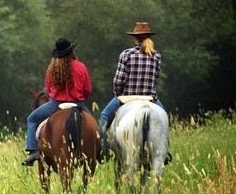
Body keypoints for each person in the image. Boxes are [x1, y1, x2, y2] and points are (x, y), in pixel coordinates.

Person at [22, 37, 93, 166]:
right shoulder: (81, 67)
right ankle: (99, 150)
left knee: (31, 119)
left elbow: (48, 89)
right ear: (71, 52)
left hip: (55, 105)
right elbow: (87, 89)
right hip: (78, 104)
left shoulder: (51, 68)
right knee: (95, 127)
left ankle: (33, 151)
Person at [100, 22, 166, 156]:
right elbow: (156, 78)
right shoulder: (157, 56)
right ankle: (164, 152)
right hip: (149, 98)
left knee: (104, 115)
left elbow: (118, 81)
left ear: (135, 38)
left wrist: (118, 94)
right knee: (163, 118)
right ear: (149, 37)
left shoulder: (126, 54)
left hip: (127, 98)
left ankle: (104, 149)